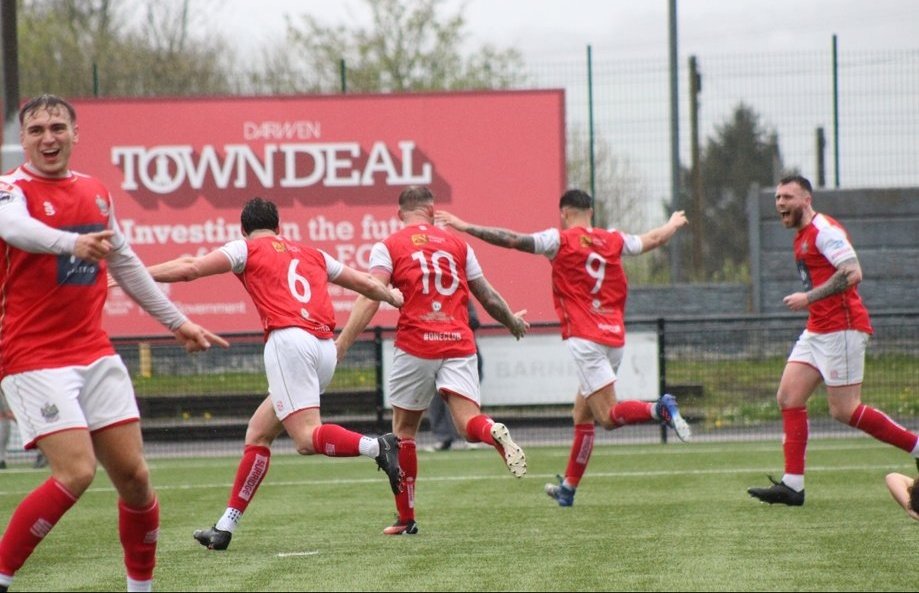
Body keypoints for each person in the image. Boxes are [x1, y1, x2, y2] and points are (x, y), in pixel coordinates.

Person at [0, 94, 229, 593]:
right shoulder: (9, 189)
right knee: (76, 472)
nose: (48, 138)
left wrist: (178, 323)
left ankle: (140, 589)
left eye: (58, 127)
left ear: (75, 134)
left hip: (94, 352)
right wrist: (69, 242)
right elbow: (12, 229)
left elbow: (125, 264)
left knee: (136, 479)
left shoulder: (96, 192)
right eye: (36, 130)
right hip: (33, 357)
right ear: (23, 139)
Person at [134, 196, 406, 550]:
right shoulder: (313, 253)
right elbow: (367, 284)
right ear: (280, 227)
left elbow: (190, 268)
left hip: (289, 343)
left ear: (244, 230)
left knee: (307, 440)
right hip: (324, 349)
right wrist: (395, 298)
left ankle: (376, 445)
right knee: (259, 433)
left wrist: (134, 274)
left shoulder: (245, 249)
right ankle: (224, 527)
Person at [435, 189, 691, 508]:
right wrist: (672, 222)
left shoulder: (559, 240)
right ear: (591, 212)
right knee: (581, 412)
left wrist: (465, 226)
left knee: (609, 417)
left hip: (586, 339)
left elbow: (512, 239)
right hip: (614, 336)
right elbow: (653, 239)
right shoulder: (612, 239)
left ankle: (659, 408)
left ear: (564, 213)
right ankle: (568, 488)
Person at [335, 185, 530, 536]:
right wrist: (512, 322)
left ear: (401, 214)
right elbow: (486, 295)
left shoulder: (390, 245)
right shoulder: (458, 245)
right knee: (468, 423)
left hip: (416, 343)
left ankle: (406, 518)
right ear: (431, 210)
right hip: (458, 340)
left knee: (403, 432)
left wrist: (343, 343)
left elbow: (371, 295)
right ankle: (492, 432)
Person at [746, 175, 919, 506]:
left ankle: (916, 445)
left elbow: (853, 272)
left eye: (788, 197)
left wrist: (809, 297)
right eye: (778, 198)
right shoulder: (801, 236)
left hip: (842, 328)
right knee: (788, 396)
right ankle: (792, 485)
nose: (780, 203)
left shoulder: (824, 231)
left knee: (844, 410)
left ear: (807, 200)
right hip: (817, 329)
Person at [426, 301, 482, 451]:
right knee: (436, 401)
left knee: (466, 399)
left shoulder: (461, 299)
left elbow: (475, 321)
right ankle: (443, 439)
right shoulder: (426, 301)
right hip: (435, 355)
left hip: (462, 356)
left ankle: (471, 437)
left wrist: (451, 320)